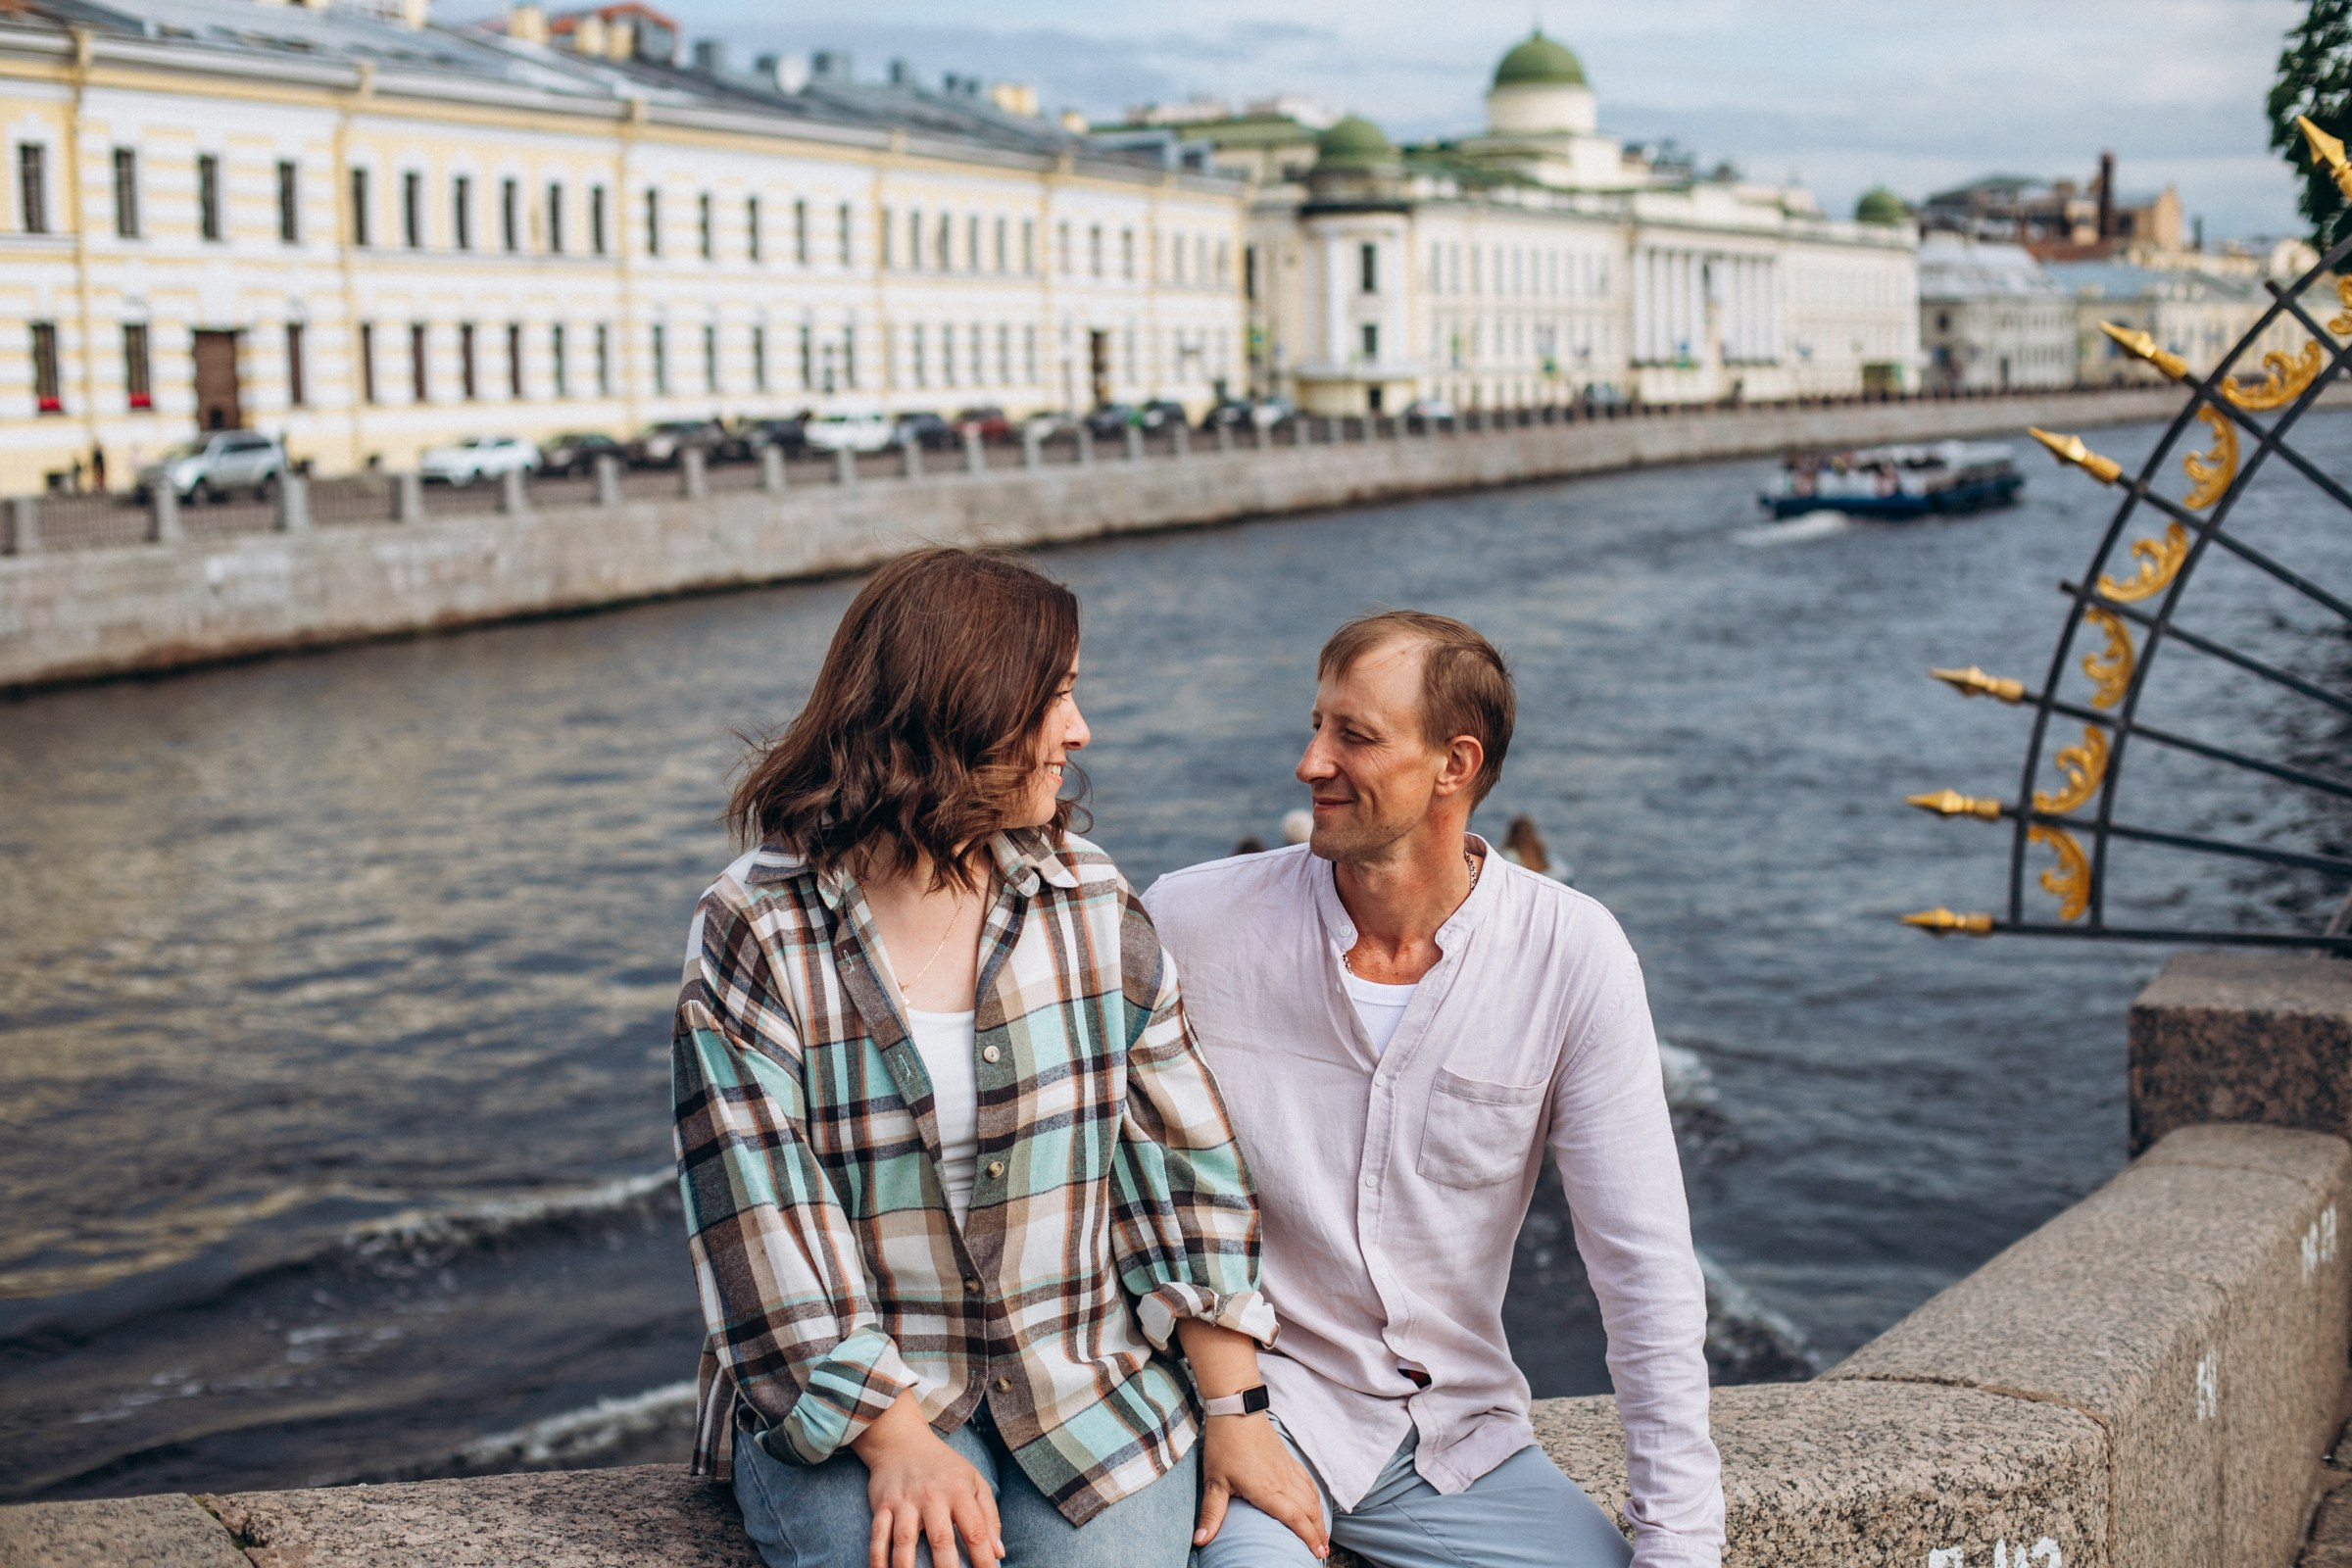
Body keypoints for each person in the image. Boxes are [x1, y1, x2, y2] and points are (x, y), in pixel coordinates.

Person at [670, 548, 1326, 1568]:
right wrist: (894, 1438)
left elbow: (1183, 1171)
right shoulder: (755, 926)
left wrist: (1235, 1406)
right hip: (848, 1395)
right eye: (1056, 697)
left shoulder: (1091, 902)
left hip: (1079, 1380)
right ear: (963, 707)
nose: (1081, 729)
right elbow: (756, 1216)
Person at [1144, 611, 1724, 1568]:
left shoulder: (1574, 956)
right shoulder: (1191, 920)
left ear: (1455, 763)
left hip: (1452, 1443)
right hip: (1242, 1416)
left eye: (1353, 735)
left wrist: (1678, 1546)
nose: (1309, 762)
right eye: (1317, 724)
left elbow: (1644, 1268)